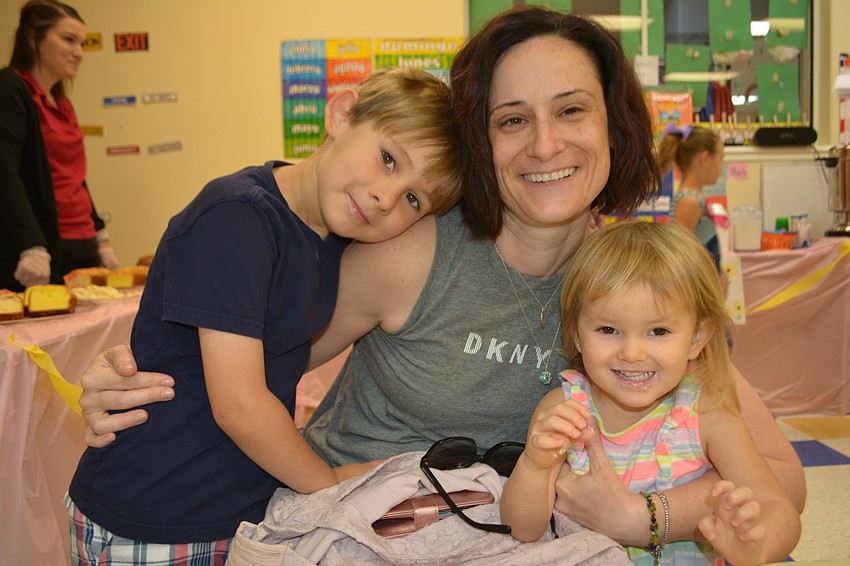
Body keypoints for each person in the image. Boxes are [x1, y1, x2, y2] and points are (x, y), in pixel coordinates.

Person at [75, 5, 806, 553]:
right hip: (350, 527)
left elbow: (783, 479)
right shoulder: (409, 246)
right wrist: (132, 379)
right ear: (479, 143)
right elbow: (249, 366)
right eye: (512, 120)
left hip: (502, 538)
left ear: (614, 126)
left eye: (571, 111)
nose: (545, 144)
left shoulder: (634, 283)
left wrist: (642, 516)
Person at [66, 67, 463, 565]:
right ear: (342, 114)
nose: (387, 197)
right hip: (153, 510)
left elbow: (286, 357)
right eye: (388, 159)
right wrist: (327, 483)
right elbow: (239, 404)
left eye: (413, 199)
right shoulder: (238, 215)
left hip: (231, 510)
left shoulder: (331, 244)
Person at [500, 220, 800, 564]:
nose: (632, 353)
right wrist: (534, 467)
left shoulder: (707, 414)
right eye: (608, 329)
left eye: (658, 331)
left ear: (697, 338)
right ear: (577, 335)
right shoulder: (563, 409)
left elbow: (779, 509)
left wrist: (756, 546)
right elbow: (522, 529)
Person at [0, 0, 118, 293]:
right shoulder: (10, 89)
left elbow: (75, 177)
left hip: (82, 245)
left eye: (82, 43)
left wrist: (100, 234)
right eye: (68, 40)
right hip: (43, 251)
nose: (79, 53)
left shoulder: (62, 102)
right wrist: (31, 246)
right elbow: (4, 171)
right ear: (32, 38)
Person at [657, 123, 725, 273]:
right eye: (720, 159)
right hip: (697, 278)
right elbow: (682, 254)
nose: (721, 167)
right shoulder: (689, 201)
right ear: (705, 158)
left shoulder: (693, 198)